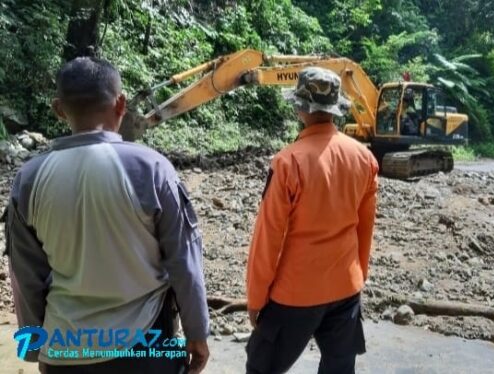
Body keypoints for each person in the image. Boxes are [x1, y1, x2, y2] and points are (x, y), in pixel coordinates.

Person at [7, 57, 210, 373]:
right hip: (147, 347)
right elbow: (184, 260)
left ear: (59, 109)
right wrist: (197, 332)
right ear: (121, 104)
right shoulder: (151, 169)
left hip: (65, 351)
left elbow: (25, 275)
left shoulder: (29, 179)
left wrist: (36, 348)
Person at [245, 67, 379, 374]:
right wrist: (358, 275)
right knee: (339, 368)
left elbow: (268, 237)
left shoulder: (288, 162)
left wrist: (256, 298)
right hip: (346, 288)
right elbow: (365, 227)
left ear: (300, 108)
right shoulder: (364, 159)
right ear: (335, 109)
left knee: (261, 366)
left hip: (295, 292)